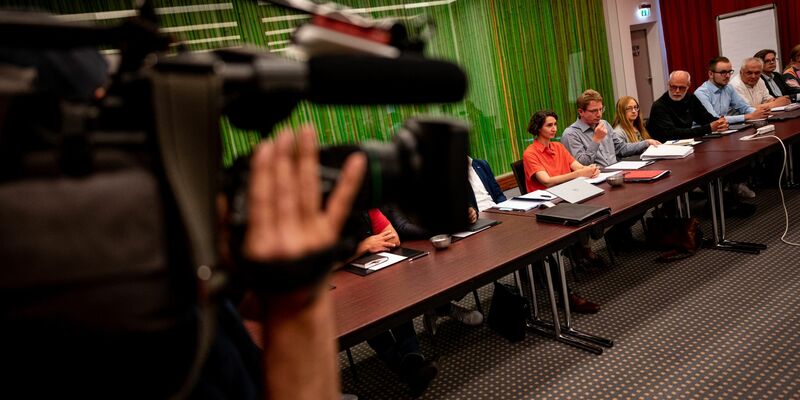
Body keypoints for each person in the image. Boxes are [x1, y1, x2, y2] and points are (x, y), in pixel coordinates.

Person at [343, 208, 438, 397]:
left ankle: (410, 360)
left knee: (395, 292)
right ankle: (409, 364)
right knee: (366, 312)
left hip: (374, 271)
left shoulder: (366, 207)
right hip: (342, 286)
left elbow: (394, 238)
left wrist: (369, 245)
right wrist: (364, 246)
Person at [522, 110, 602, 313]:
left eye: (555, 124)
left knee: (597, 210)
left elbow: (578, 167)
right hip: (545, 205)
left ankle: (577, 248)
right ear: (538, 128)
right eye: (549, 125)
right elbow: (546, 181)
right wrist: (578, 173)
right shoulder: (530, 153)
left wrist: (589, 170)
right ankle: (574, 254)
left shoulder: (558, 147)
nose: (554, 128)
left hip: (566, 196)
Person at [560, 89, 660, 168]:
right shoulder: (571, 134)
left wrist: (646, 142)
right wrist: (596, 140)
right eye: (594, 111)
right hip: (595, 180)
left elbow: (621, 149)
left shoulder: (604, 124)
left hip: (617, 173)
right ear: (581, 112)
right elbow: (581, 165)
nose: (599, 114)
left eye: (600, 109)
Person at [646, 70, 729, 142]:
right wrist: (709, 128)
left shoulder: (690, 98)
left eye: (682, 88)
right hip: (664, 147)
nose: (677, 91)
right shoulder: (659, 106)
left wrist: (720, 123)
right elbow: (672, 134)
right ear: (668, 84)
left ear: (688, 86)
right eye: (673, 87)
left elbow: (706, 118)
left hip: (687, 143)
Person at [695, 56, 771, 125]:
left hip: (723, 128)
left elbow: (744, 107)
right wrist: (748, 116)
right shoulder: (701, 93)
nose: (728, 76)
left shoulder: (728, 88)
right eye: (723, 72)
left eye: (729, 72)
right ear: (711, 74)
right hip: (703, 134)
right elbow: (714, 119)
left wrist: (760, 113)